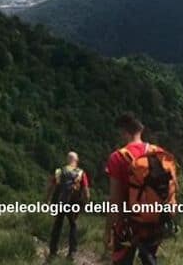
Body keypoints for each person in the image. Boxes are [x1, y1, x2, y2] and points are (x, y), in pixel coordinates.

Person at [105, 113, 175, 265]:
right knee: (149, 259)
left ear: (124, 132)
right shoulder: (159, 153)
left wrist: (108, 231)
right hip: (155, 223)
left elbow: (115, 201)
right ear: (140, 130)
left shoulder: (117, 157)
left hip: (127, 226)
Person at [45, 151, 90, 259]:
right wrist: (85, 203)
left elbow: (51, 187)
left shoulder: (59, 171)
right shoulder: (81, 173)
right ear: (77, 160)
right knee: (73, 226)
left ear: (67, 160)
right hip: (73, 204)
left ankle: (53, 252)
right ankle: (72, 253)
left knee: (57, 225)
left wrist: (47, 200)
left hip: (60, 202)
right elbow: (86, 192)